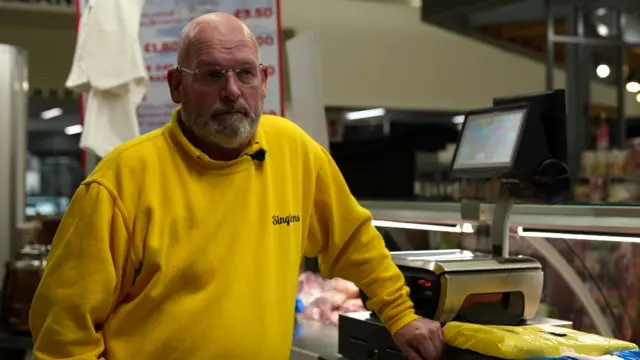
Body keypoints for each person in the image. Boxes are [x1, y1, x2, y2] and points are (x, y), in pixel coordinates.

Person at [29, 12, 444, 360]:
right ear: (177, 86)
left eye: (244, 73)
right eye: (211, 75)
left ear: (263, 81)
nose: (231, 91)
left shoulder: (295, 151)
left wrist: (400, 314)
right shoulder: (119, 182)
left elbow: (354, 241)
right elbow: (62, 330)